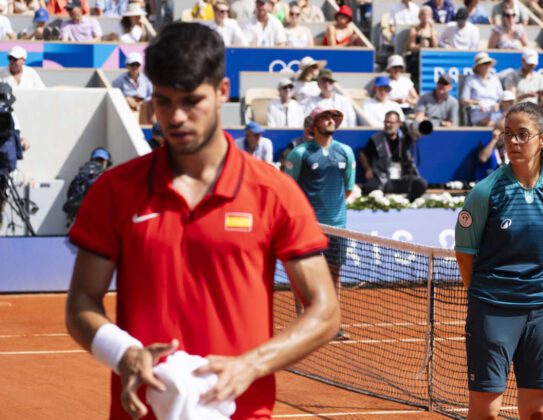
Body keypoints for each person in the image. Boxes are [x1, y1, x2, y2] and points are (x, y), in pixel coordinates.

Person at [65, 22, 340, 420]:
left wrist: (251, 364)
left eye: (191, 101)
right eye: (163, 101)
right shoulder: (114, 191)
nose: (175, 117)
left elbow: (325, 311)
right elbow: (81, 302)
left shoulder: (275, 192)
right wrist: (122, 352)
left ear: (222, 92)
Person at [455, 101, 543, 420]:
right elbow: (465, 252)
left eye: (522, 134)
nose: (513, 142)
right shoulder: (485, 192)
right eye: (508, 134)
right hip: (492, 309)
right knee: (487, 412)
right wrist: (483, 298)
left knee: (538, 412)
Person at [285, 108, 354, 340]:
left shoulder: (345, 152)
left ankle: (332, 323)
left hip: (337, 225)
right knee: (304, 274)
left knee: (335, 273)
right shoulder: (300, 153)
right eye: (325, 117)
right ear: (314, 124)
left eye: (334, 117)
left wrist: (332, 213)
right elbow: (290, 189)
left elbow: (349, 188)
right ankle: (302, 321)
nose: (331, 121)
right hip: (308, 226)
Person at [359, 110, 428, 201]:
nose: (388, 125)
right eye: (386, 122)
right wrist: (368, 169)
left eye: (391, 122)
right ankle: (381, 204)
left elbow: (417, 132)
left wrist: (417, 120)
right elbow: (362, 154)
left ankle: (406, 202)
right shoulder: (376, 139)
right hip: (383, 178)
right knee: (369, 187)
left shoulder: (406, 137)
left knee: (421, 184)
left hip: (402, 177)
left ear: (398, 123)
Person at [62, 147, 112, 226]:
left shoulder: (83, 171)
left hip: (76, 204)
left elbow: (70, 191)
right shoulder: (105, 175)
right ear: (108, 162)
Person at [461, 52, 504, 126]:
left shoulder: (495, 79)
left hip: (495, 112)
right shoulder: (471, 80)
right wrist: (477, 103)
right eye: (484, 63)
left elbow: (502, 98)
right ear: (478, 66)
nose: (487, 66)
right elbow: (463, 100)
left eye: (488, 63)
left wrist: (498, 105)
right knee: (496, 124)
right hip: (479, 112)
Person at [406, 5, 438, 85]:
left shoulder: (432, 30)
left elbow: (435, 46)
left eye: (428, 15)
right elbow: (410, 47)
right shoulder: (414, 29)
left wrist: (431, 30)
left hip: (430, 57)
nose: (425, 17)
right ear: (419, 16)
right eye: (423, 14)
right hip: (417, 57)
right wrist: (420, 46)